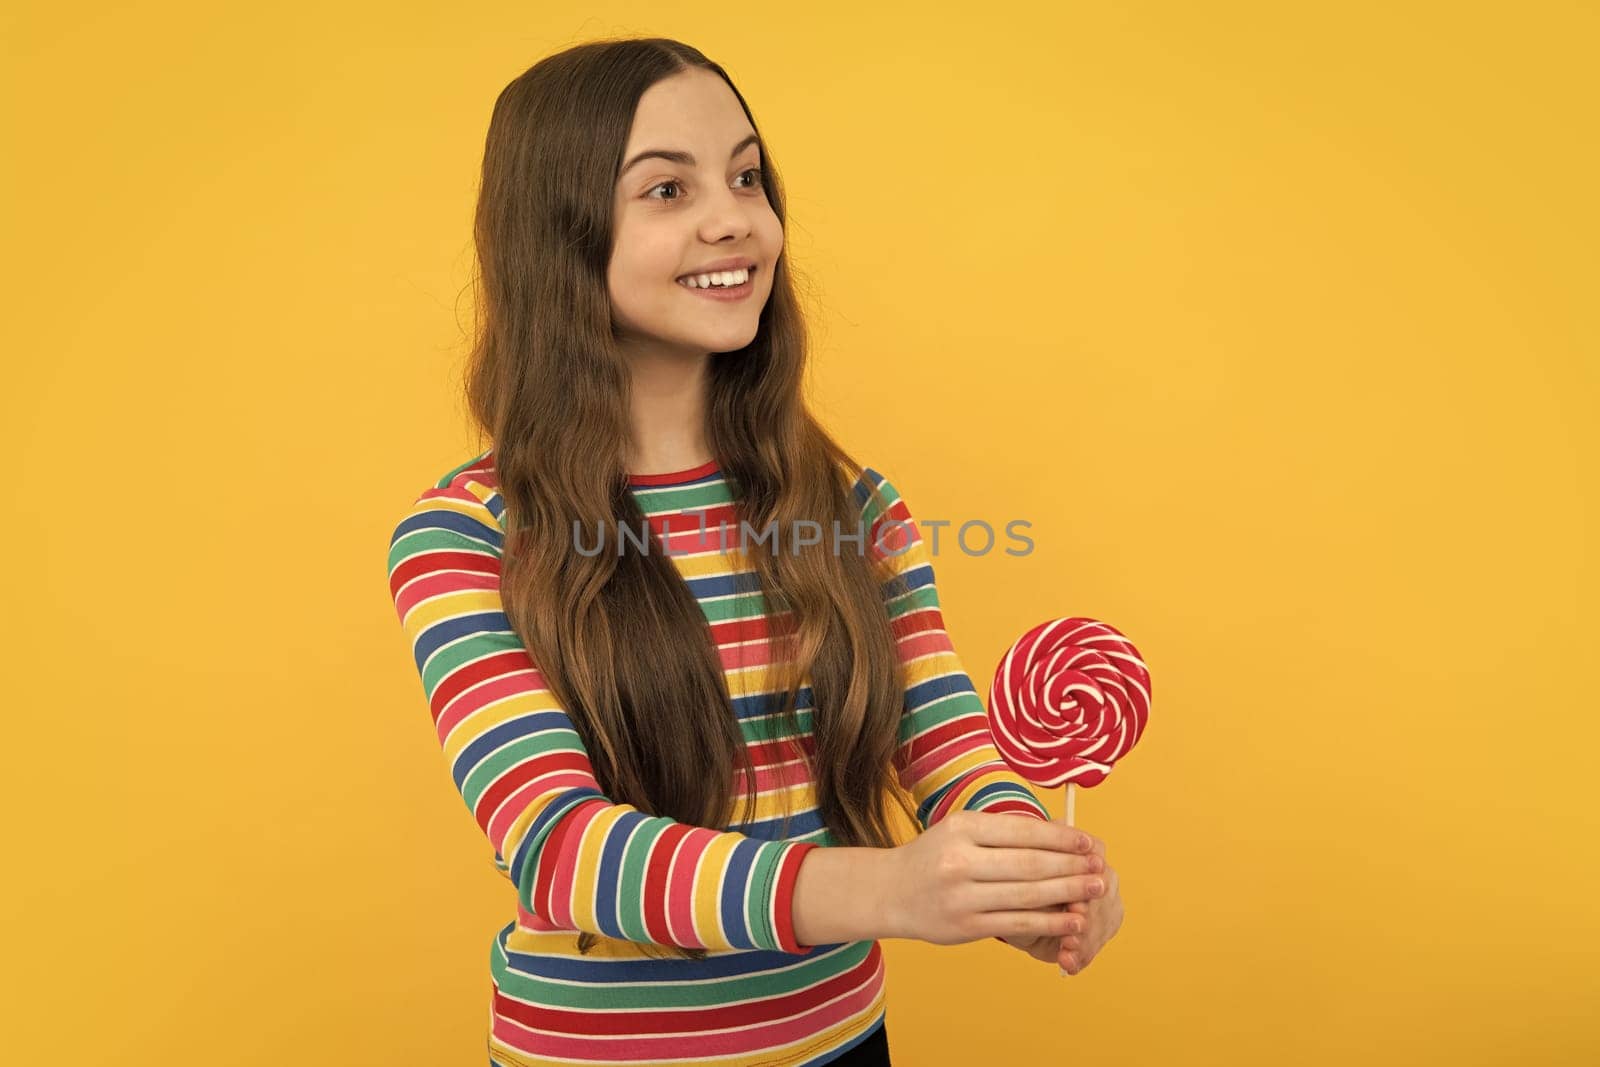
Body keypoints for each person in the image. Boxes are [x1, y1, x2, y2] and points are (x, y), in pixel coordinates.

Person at [386, 36, 1109, 1067]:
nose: (732, 217)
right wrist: (893, 888)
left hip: (842, 1042)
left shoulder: (854, 507)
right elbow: (558, 848)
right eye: (667, 189)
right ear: (558, 233)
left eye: (745, 175)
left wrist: (1025, 864)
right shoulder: (466, 534)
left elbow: (946, 745)